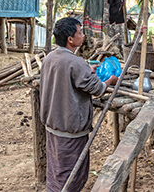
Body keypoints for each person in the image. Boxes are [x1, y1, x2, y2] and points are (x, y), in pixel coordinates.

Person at [40, 17, 118, 191]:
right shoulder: (76, 62)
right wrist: (111, 80)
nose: (83, 36)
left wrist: (87, 72)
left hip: (53, 125)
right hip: (70, 129)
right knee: (70, 175)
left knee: (57, 171)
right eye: (80, 32)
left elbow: (67, 78)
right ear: (70, 39)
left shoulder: (50, 58)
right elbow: (97, 89)